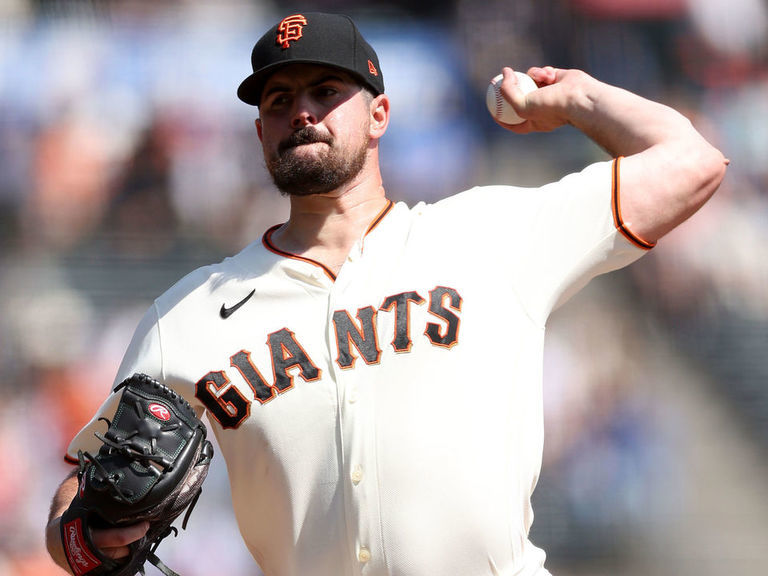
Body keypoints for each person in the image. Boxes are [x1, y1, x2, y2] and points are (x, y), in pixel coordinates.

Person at [45, 11, 727, 576]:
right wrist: (87, 539)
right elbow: (78, 497)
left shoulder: (492, 233)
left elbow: (692, 163)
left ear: (379, 114)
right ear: (260, 134)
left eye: (325, 93)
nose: (302, 113)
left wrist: (575, 97)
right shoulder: (188, 318)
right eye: (279, 101)